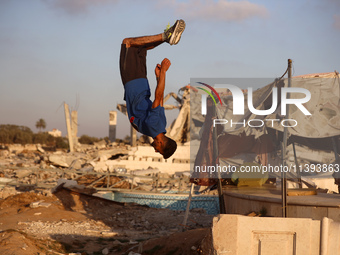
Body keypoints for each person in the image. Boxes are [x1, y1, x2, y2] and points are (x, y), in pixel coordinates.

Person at [119, 19, 185, 159]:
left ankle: (168, 38)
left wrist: (158, 78)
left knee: (140, 47)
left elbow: (159, 101)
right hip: (133, 83)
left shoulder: (161, 125)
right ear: (161, 143)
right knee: (128, 43)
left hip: (141, 83)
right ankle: (166, 36)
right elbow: (159, 97)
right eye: (159, 151)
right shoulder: (153, 127)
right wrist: (163, 73)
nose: (156, 151)